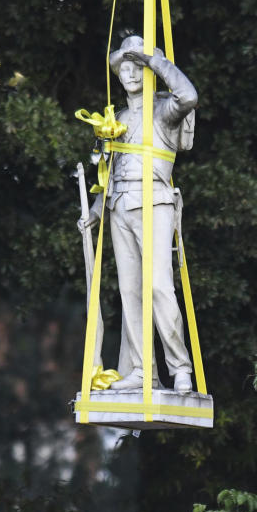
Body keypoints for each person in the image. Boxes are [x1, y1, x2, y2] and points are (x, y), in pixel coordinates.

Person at [81, 34, 197, 392]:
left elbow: (189, 96)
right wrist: (97, 210)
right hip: (120, 207)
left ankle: (180, 368)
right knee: (130, 291)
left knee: (160, 286)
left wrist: (157, 61)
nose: (130, 74)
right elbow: (114, 169)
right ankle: (142, 371)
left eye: (137, 67)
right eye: (125, 68)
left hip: (156, 201)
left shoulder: (163, 109)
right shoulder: (115, 118)